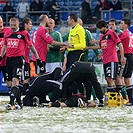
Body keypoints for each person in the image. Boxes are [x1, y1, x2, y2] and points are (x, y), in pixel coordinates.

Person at [0, 17, 40, 110]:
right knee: (9, 83)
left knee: (15, 80)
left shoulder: (23, 34)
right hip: (8, 60)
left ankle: (11, 102)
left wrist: (37, 58)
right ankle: (19, 102)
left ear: (18, 24)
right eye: (11, 25)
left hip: (19, 60)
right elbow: (5, 46)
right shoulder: (7, 33)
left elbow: (31, 46)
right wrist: (1, 56)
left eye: (15, 25)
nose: (13, 27)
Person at [88, 20, 126, 93]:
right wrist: (89, 48)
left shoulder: (112, 33)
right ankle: (114, 97)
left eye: (100, 28)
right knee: (107, 79)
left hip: (112, 60)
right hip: (105, 60)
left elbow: (120, 44)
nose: (99, 30)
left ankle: (114, 97)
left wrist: (122, 57)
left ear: (104, 27)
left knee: (110, 79)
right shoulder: (102, 36)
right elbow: (100, 46)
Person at [108, 19, 127, 101]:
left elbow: (120, 45)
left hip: (119, 56)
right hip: (112, 57)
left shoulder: (119, 33)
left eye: (112, 24)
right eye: (110, 24)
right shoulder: (108, 33)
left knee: (119, 77)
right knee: (114, 77)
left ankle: (124, 97)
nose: (111, 26)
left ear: (116, 25)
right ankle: (118, 96)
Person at [22, 17, 40, 95]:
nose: (31, 26)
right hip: (22, 60)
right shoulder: (22, 34)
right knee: (24, 79)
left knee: (27, 78)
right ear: (25, 24)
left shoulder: (27, 34)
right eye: (30, 24)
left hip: (27, 60)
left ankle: (24, 96)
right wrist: (37, 56)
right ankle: (23, 96)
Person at [119, 19, 133, 105]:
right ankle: (129, 99)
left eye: (121, 23)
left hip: (127, 56)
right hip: (130, 55)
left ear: (126, 25)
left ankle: (126, 98)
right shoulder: (131, 34)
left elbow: (115, 40)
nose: (120, 25)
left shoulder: (124, 34)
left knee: (123, 78)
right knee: (126, 78)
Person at [0, 16, 10, 90]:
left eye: (1, 22)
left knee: (8, 80)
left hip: (5, 61)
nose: (0, 24)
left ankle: (12, 98)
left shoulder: (8, 31)